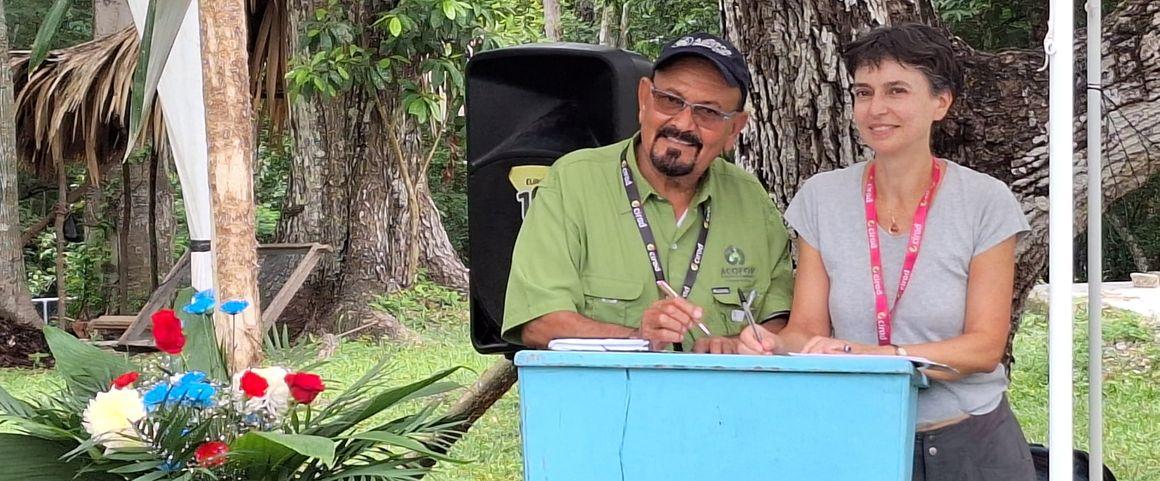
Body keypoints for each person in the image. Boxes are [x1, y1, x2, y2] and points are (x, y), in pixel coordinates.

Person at [737, 24, 1036, 480]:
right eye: (864, 92)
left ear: (941, 102)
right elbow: (806, 332)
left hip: (971, 444)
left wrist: (878, 355)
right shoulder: (822, 198)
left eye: (897, 90)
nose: (876, 109)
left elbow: (983, 348)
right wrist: (773, 344)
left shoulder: (985, 201)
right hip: (858, 433)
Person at [502, 33, 794, 353]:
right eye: (670, 100)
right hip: (610, 399)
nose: (683, 123)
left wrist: (736, 345)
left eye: (707, 112)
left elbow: (779, 323)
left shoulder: (752, 201)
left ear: (734, 129)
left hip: (719, 400)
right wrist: (636, 337)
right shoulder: (573, 182)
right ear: (644, 99)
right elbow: (539, 322)